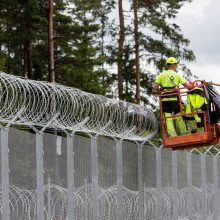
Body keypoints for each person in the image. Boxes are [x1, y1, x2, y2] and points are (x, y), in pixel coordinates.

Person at [153, 57, 192, 137]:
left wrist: (160, 91)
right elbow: (187, 86)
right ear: (174, 65)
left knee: (168, 118)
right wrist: (193, 86)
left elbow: (155, 87)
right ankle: (184, 133)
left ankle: (172, 135)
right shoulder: (177, 75)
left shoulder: (161, 75)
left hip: (164, 99)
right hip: (174, 99)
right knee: (178, 116)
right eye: (176, 65)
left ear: (168, 65)